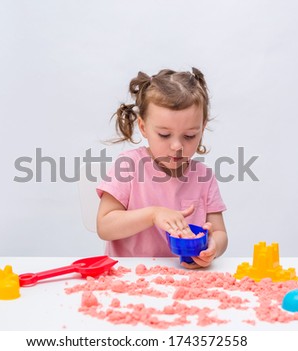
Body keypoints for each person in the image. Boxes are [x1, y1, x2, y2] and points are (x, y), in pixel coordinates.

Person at [96, 67, 227, 269]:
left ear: (202, 127)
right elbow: (105, 227)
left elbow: (219, 233)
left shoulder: (204, 177)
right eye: (164, 135)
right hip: (130, 275)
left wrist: (213, 248)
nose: (177, 146)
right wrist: (153, 214)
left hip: (183, 278)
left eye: (190, 136)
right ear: (143, 127)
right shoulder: (128, 167)